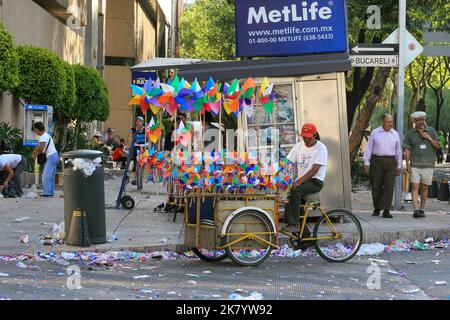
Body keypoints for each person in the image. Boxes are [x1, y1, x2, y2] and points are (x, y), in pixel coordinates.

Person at [281, 123, 327, 235]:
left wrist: (298, 182)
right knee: (296, 207)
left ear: (314, 135)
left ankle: (293, 224)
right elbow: (289, 162)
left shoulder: (321, 148)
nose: (305, 139)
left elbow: (314, 170)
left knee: (295, 190)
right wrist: (281, 169)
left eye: (308, 136)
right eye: (304, 136)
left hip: (315, 181)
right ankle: (305, 240)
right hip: (302, 181)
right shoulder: (298, 146)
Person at [363, 113, 402, 218]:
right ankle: (377, 208)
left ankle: (386, 210)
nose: (390, 124)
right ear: (383, 122)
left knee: (389, 186)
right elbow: (368, 148)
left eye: (391, 121)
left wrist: (399, 166)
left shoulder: (395, 134)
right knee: (376, 185)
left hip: (391, 162)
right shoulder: (375, 133)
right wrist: (366, 163)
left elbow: (399, 151)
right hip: (377, 161)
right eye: (388, 121)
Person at [404, 111, 441, 218]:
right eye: (418, 120)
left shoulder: (431, 131)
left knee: (425, 188)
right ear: (414, 121)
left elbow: (438, 145)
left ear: (424, 120)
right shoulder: (410, 134)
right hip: (415, 164)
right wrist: (407, 164)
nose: (420, 122)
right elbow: (407, 150)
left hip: (428, 165)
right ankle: (415, 209)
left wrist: (428, 137)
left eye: (422, 120)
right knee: (415, 186)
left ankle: (422, 209)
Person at [31, 122, 59, 197]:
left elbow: (41, 148)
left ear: (37, 129)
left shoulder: (43, 137)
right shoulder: (46, 135)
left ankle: (47, 193)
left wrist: (34, 155)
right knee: (50, 176)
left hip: (51, 157)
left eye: (35, 130)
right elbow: (39, 145)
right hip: (54, 156)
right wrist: (34, 151)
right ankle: (50, 192)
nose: (35, 131)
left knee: (46, 175)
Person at [126, 116, 146, 185]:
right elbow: (129, 137)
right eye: (137, 121)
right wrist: (128, 146)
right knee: (134, 161)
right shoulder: (133, 129)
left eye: (140, 121)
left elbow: (149, 138)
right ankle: (134, 177)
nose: (138, 122)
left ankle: (141, 174)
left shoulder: (145, 130)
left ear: (143, 122)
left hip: (143, 147)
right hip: (135, 147)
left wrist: (148, 145)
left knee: (143, 162)